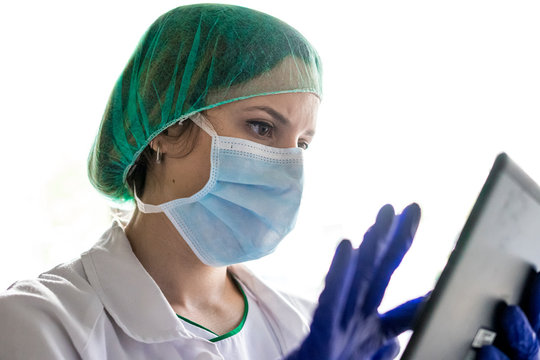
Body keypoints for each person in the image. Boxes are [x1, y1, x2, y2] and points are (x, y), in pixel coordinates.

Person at [0, 4, 538, 359]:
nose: (289, 164)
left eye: (303, 143)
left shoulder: (310, 328)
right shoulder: (41, 327)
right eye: (261, 127)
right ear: (165, 127)